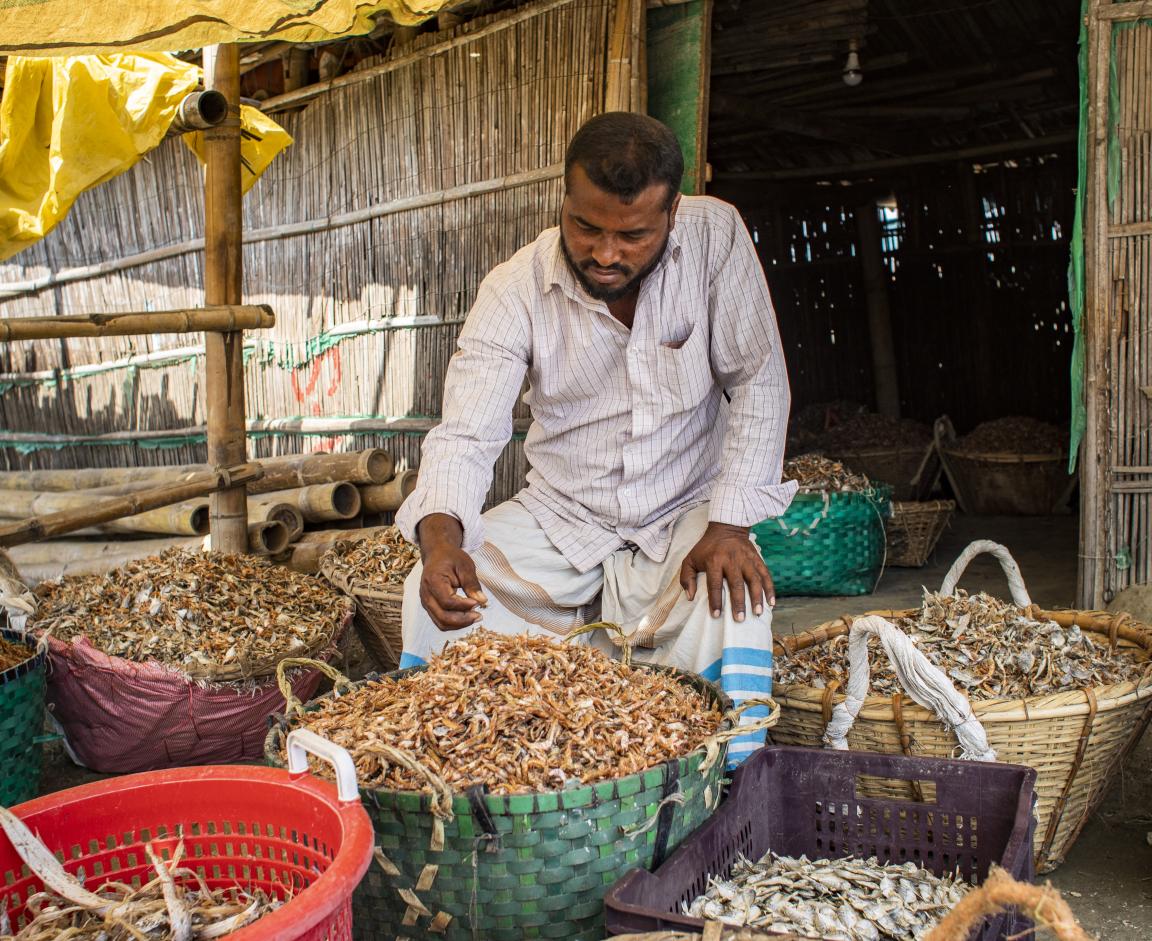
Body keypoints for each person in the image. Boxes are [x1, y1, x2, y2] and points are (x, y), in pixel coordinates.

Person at [396, 112, 796, 764]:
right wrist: (440, 543)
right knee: (439, 592)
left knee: (734, 598)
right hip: (563, 514)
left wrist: (731, 526)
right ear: (563, 200)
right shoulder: (515, 288)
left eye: (633, 235)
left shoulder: (716, 237)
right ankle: (472, 783)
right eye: (585, 226)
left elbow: (760, 380)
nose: (605, 253)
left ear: (673, 214)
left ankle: (719, 784)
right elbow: (466, 434)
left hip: (686, 512)